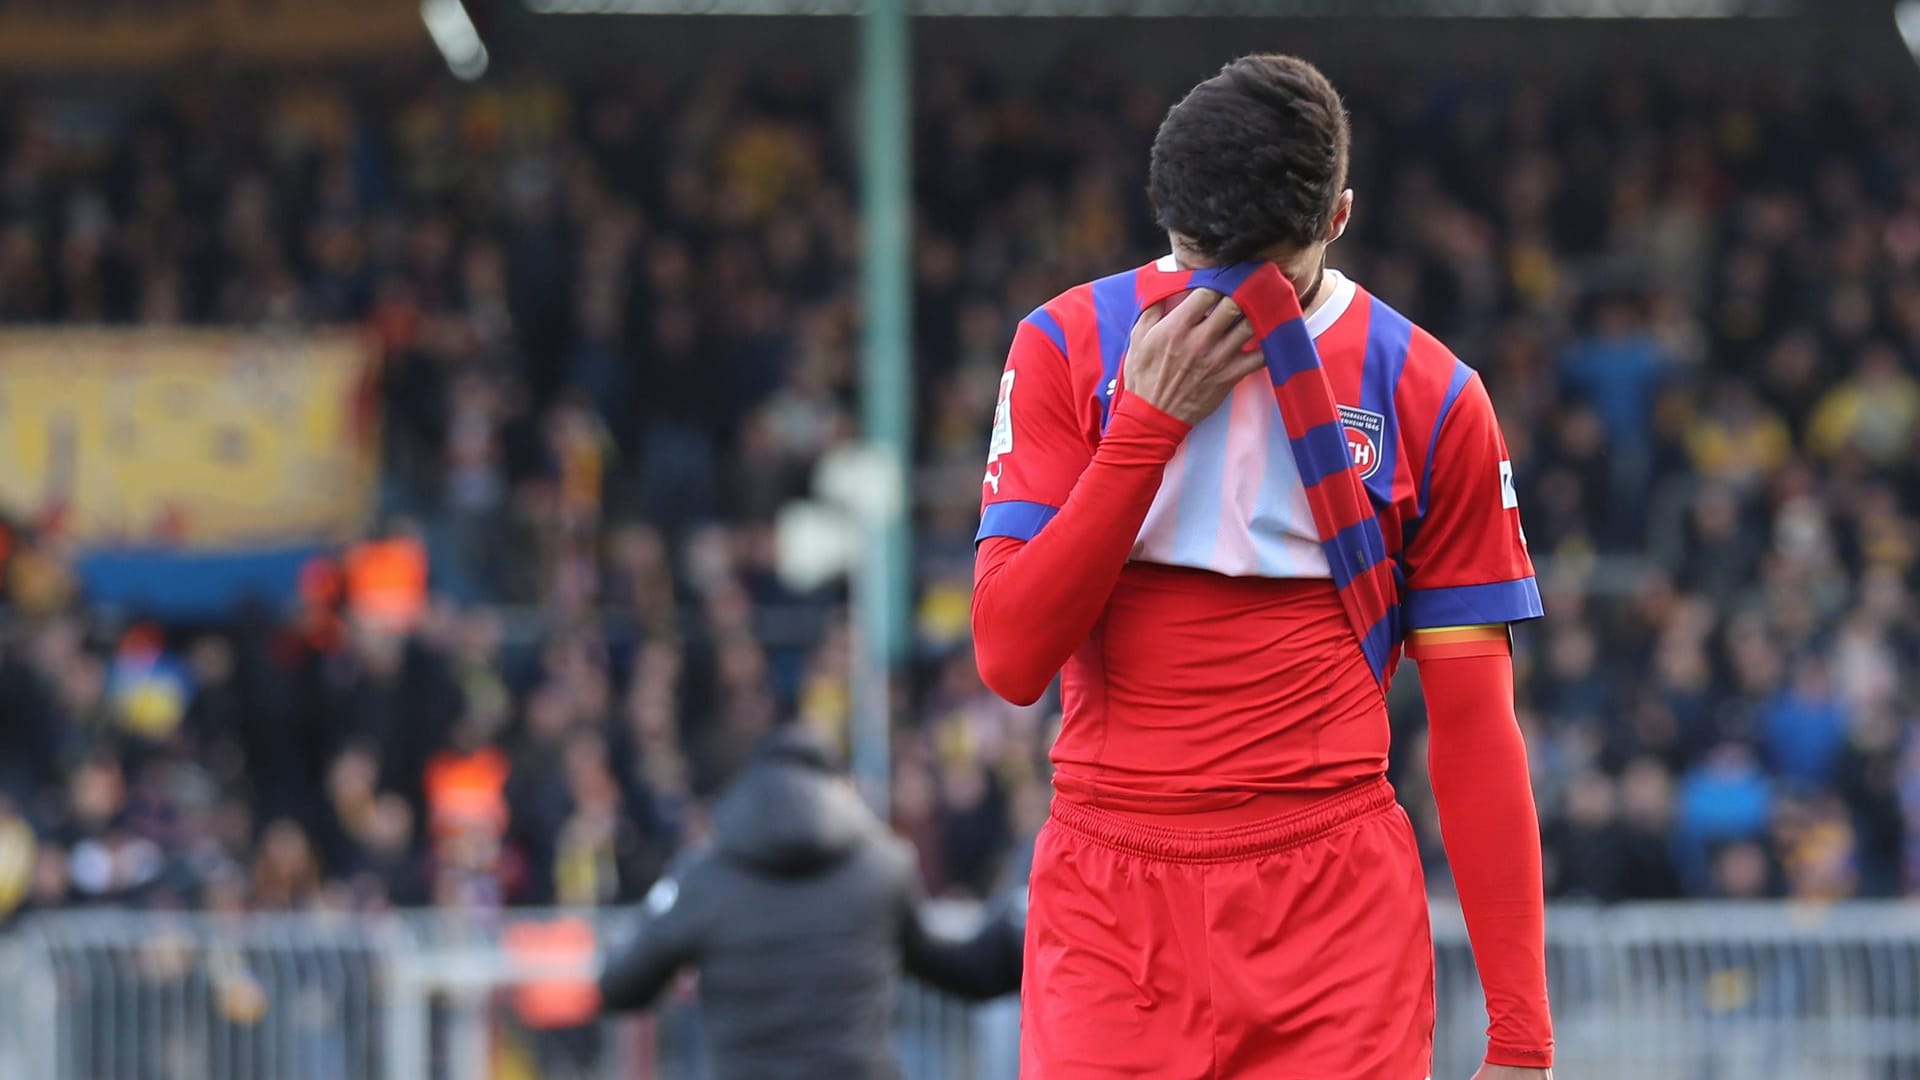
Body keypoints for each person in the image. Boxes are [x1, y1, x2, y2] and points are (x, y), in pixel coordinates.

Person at [971, 54, 1552, 1079]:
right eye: (1206, 264)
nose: (1234, 304)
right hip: (1115, 906)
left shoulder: (1431, 395)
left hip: (1331, 915)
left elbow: (1473, 726)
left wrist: (1520, 1033)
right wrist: (1145, 427)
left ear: (1338, 219)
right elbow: (1012, 657)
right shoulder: (1068, 343)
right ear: (1168, 219)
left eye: (1266, 277)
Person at [596, 724, 1023, 1080]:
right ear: (840, 787)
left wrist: (662, 903)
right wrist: (1023, 924)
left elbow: (621, 985)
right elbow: (964, 972)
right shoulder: (884, 867)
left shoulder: (704, 879)